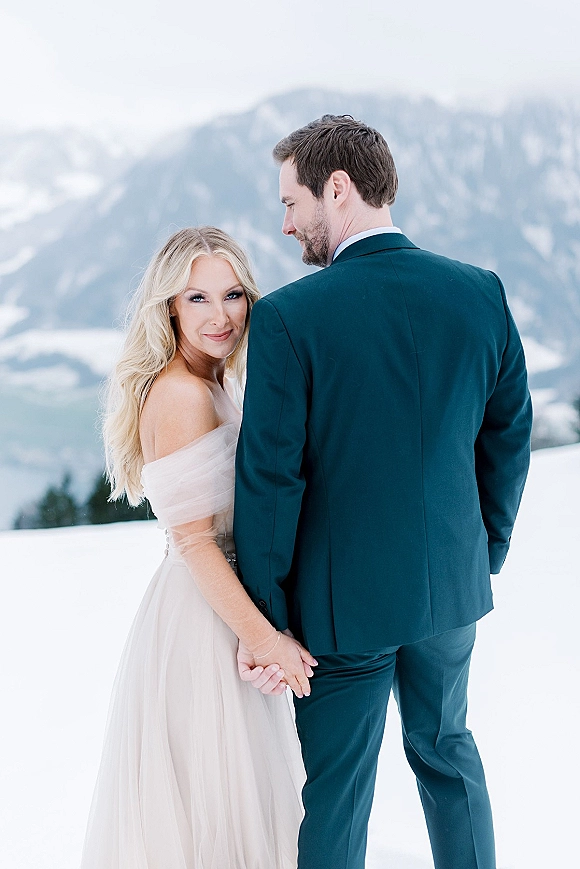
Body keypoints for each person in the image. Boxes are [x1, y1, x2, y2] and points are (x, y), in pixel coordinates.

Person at [234, 116, 533, 869]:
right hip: (451, 590)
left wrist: (266, 617)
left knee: (337, 793)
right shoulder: (480, 292)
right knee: (447, 752)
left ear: (338, 189)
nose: (285, 223)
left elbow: (272, 479)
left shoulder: (290, 318)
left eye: (292, 202)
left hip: (342, 610)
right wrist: (484, 547)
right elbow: (509, 435)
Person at [80, 226, 316, 869]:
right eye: (198, 299)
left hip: (222, 606)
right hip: (203, 618)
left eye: (233, 295)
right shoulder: (184, 393)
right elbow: (193, 541)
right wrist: (265, 640)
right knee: (208, 813)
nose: (221, 316)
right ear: (169, 308)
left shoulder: (217, 381)